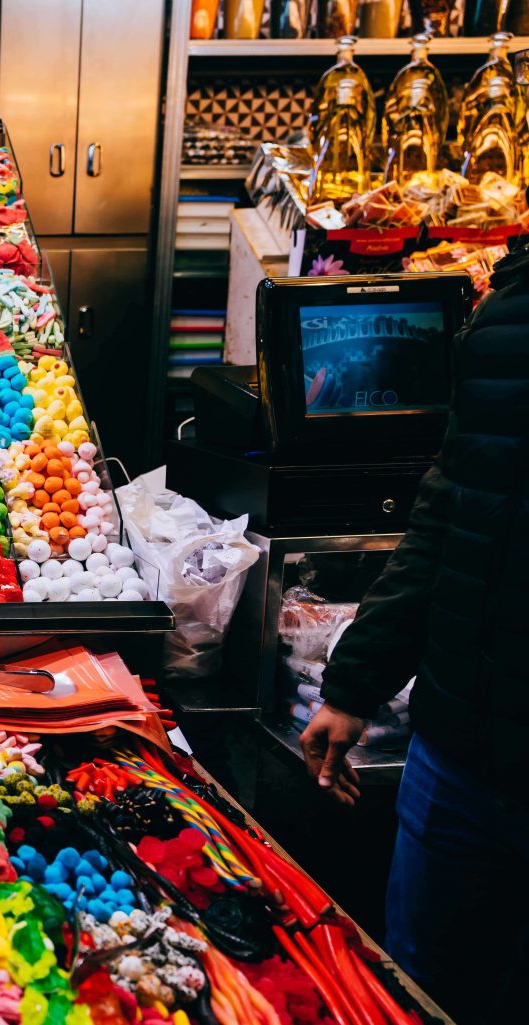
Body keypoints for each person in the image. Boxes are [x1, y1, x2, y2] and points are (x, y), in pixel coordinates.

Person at [299, 242, 529, 1024]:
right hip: (457, 748)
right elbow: (445, 516)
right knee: (415, 982)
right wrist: (352, 684)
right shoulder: (505, 317)